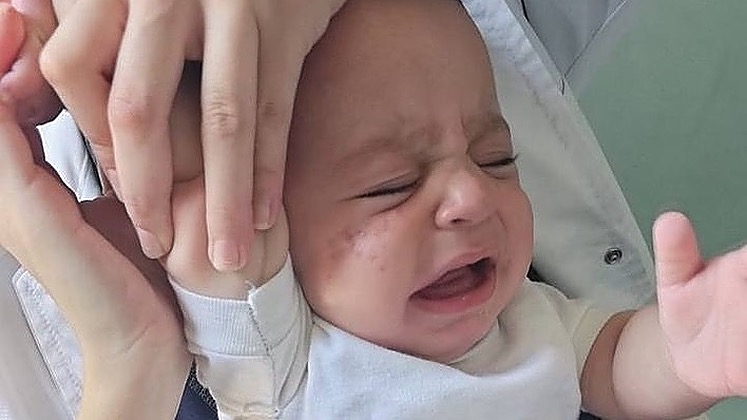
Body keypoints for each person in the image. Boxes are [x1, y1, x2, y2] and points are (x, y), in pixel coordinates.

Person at [2, 0, 747, 418]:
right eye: (390, 185)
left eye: (496, 157)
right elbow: (208, 210)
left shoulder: (524, 320)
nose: (470, 196)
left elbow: (614, 368)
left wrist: (685, 353)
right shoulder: (276, 364)